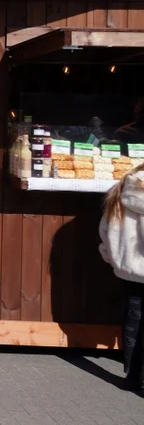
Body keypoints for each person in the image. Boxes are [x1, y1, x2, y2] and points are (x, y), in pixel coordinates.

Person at [99, 163, 144, 389]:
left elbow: (106, 229)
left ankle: (131, 376)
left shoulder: (122, 187)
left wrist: (112, 257)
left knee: (133, 318)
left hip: (128, 270)